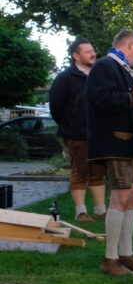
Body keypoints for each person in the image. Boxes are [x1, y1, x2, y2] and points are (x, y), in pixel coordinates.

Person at [83, 29, 133, 276]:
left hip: (129, 141)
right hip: (115, 141)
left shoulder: (121, 68)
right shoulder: (105, 65)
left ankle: (126, 254)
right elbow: (98, 99)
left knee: (132, 193)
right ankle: (110, 259)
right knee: (121, 194)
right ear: (131, 45)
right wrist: (132, 97)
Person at [48, 39, 107, 224]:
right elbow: (56, 107)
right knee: (79, 171)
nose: (93, 54)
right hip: (76, 134)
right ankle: (80, 212)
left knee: (98, 171)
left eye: (93, 50)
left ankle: (100, 210)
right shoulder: (66, 78)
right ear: (76, 56)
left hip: (99, 133)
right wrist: (70, 126)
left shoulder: (99, 75)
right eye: (87, 51)